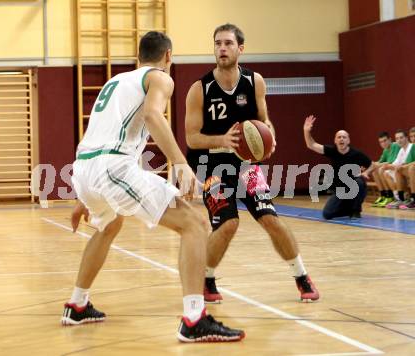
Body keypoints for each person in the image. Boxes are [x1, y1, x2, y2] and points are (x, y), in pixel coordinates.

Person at [61, 31, 244, 342]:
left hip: (84, 167)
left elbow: (100, 136)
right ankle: (194, 318)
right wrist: (181, 163)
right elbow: (151, 115)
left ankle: (77, 305)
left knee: (109, 225)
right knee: (195, 224)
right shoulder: (160, 77)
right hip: (111, 168)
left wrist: (86, 197)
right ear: (168, 56)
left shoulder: (115, 82)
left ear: (138, 56)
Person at [185, 23, 319, 304]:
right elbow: (192, 138)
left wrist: (268, 139)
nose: (222, 48)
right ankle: (206, 278)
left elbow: (264, 120)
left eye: (228, 43)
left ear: (240, 49)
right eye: (218, 43)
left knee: (270, 217)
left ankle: (302, 275)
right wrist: (223, 139)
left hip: (246, 165)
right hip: (212, 167)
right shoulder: (200, 89)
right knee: (228, 223)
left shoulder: (255, 81)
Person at [303, 115, 373, 219]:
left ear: (348, 141)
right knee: (327, 214)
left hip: (355, 188)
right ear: (335, 141)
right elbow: (311, 145)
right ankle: (348, 210)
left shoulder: (357, 154)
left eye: (344, 137)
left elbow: (373, 164)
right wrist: (306, 131)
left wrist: (366, 173)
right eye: (339, 137)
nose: (341, 139)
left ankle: (355, 211)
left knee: (359, 181)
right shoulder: (332, 151)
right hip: (340, 191)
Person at [380, 130, 414, 209]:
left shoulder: (412, 146)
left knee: (404, 169)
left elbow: (406, 165)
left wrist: (401, 166)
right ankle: (400, 198)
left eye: (401, 137)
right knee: (392, 171)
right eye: (397, 138)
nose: (399, 140)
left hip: (412, 171)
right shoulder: (402, 150)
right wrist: (387, 165)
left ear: (406, 138)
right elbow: (395, 164)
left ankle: (411, 198)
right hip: (408, 173)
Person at [371, 132, 400, 207]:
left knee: (381, 170)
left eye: (385, 140)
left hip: (397, 169)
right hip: (390, 169)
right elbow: (380, 162)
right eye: (381, 142)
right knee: (374, 171)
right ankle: (383, 195)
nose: (383, 143)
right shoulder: (385, 150)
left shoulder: (395, 145)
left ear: (390, 139)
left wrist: (376, 165)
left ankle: (390, 196)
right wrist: (370, 164)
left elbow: (391, 162)